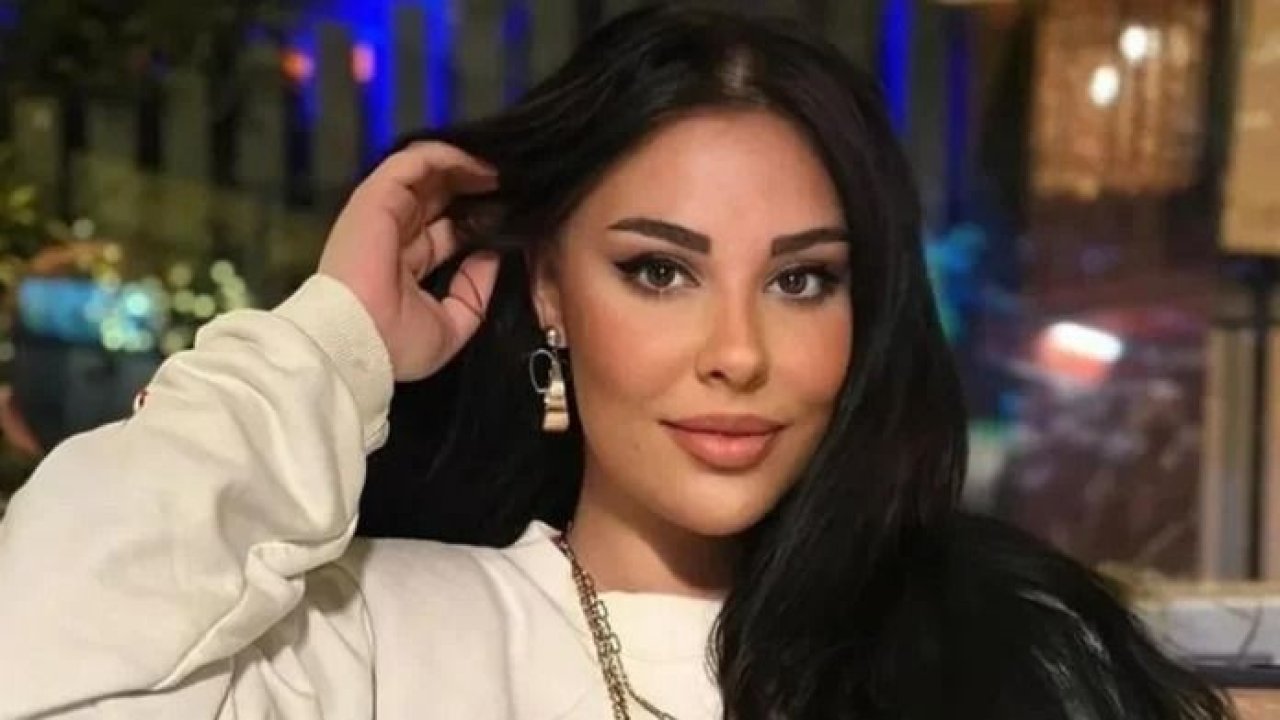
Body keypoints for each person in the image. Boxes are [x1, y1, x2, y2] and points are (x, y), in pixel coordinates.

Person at [0, 5, 1233, 719]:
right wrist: (331, 340)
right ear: (548, 288)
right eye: (658, 270)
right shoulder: (361, 635)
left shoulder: (1006, 650)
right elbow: (40, 649)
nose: (737, 353)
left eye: (800, 280)